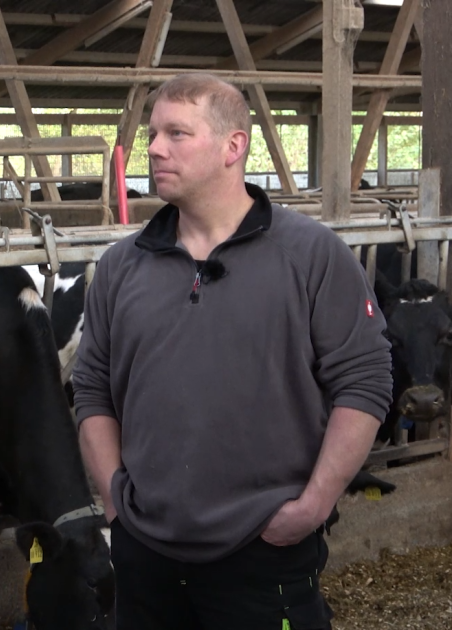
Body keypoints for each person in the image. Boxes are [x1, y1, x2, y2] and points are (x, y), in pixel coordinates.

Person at [73, 73, 392, 629]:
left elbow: (364, 381)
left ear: (233, 146)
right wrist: (115, 501)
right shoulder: (122, 267)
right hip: (145, 555)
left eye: (177, 133)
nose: (155, 148)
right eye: (153, 134)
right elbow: (92, 389)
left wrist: (314, 505)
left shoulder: (311, 255)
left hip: (263, 550)